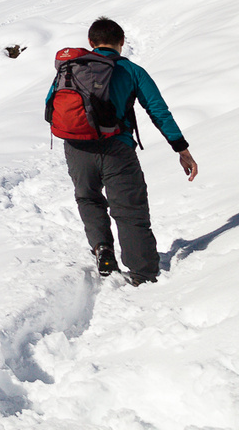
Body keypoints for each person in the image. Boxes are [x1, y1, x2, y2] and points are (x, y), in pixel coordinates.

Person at [46, 17, 198, 285]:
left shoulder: (70, 68)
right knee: (129, 209)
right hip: (117, 148)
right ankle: (143, 273)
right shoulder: (131, 71)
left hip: (77, 147)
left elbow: (51, 105)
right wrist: (181, 148)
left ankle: (102, 248)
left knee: (88, 197)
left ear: (91, 43)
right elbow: (158, 111)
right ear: (121, 43)